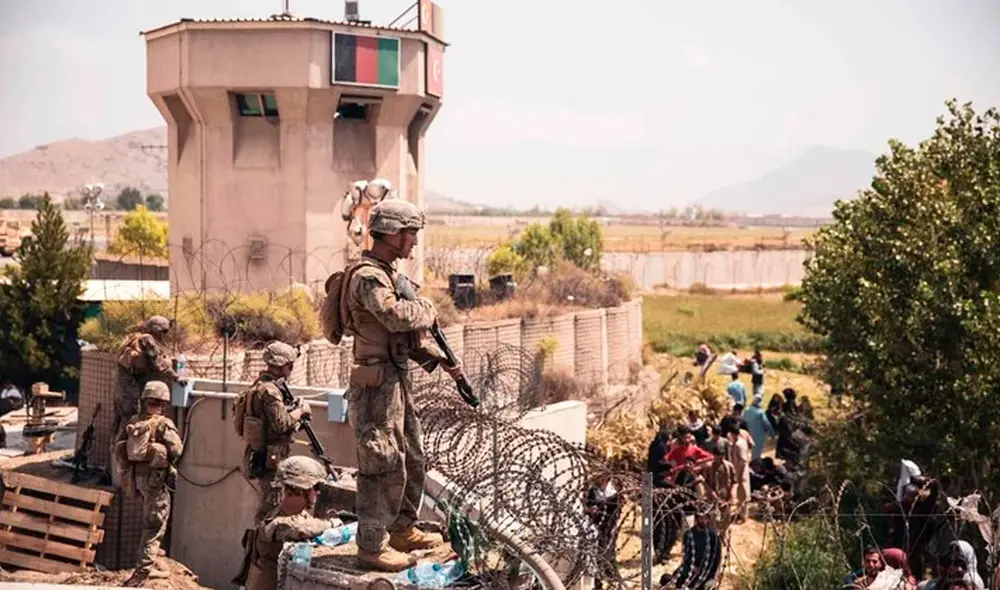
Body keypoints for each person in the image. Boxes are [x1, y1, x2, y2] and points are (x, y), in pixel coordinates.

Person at [338, 199, 465, 571]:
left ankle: (401, 529)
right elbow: (395, 317)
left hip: (394, 379)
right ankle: (372, 546)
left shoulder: (388, 274)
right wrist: (428, 308)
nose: (414, 241)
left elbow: (399, 338)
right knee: (381, 462)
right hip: (375, 385)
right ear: (392, 233)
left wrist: (436, 358)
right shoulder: (368, 276)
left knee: (411, 456)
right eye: (411, 233)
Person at [237, 456, 346, 590]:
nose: (318, 492)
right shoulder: (275, 524)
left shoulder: (301, 517)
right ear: (300, 489)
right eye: (316, 487)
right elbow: (296, 528)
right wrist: (333, 524)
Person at [114, 381, 183, 586]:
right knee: (154, 526)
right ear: (164, 402)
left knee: (151, 519)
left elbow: (119, 446)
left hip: (138, 480)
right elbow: (177, 450)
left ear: (144, 400)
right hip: (156, 482)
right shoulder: (163, 424)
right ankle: (143, 571)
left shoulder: (134, 421)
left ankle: (153, 560)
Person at [239, 341, 313, 526]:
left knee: (267, 511)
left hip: (264, 456)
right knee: (270, 511)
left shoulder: (259, 385)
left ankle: (260, 542)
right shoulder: (270, 391)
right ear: (286, 366)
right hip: (271, 460)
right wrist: (301, 411)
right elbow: (281, 423)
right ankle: (261, 544)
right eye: (290, 366)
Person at [111, 315, 183, 476]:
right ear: (157, 330)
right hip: (130, 392)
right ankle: (128, 467)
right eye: (164, 331)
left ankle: (117, 467)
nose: (164, 335)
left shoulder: (134, 339)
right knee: (132, 426)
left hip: (121, 390)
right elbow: (158, 363)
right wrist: (176, 377)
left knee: (120, 425)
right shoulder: (147, 340)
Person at [659, 508, 722, 590]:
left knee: (706, 586)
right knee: (667, 578)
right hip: (690, 569)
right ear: (696, 519)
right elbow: (687, 555)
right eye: (702, 518)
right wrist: (692, 567)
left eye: (706, 518)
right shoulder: (689, 534)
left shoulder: (713, 536)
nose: (704, 521)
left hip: (706, 571)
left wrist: (706, 570)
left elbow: (716, 558)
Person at [703, 445, 736, 543]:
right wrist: (713, 495)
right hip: (712, 497)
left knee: (726, 518)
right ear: (714, 455)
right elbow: (705, 483)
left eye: (722, 456)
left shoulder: (729, 466)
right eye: (718, 456)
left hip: (726, 497)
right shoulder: (709, 467)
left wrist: (732, 494)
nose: (720, 458)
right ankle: (713, 538)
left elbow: (734, 482)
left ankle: (723, 534)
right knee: (713, 519)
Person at [726, 424, 752, 524]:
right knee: (740, 494)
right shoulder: (739, 442)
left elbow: (743, 461)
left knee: (743, 494)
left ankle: (744, 515)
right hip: (739, 471)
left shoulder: (739, 445)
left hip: (741, 473)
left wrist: (738, 475)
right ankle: (740, 513)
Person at [743, 395, 775, 461]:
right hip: (759, 435)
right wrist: (772, 434)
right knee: (757, 452)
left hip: (747, 434)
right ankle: (755, 463)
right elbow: (767, 424)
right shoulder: (760, 412)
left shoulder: (746, 410)